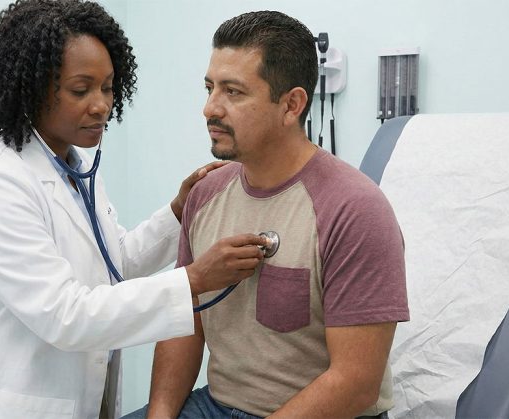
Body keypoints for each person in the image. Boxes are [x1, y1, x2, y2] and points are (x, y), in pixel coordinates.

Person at [0, 1, 270, 418]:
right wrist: (195, 279)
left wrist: (177, 212)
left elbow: (111, 266)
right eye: (81, 90)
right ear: (33, 89)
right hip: (7, 398)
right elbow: (64, 315)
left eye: (107, 88)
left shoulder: (76, 169)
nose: (101, 105)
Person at [125, 11, 409, 419]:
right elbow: (185, 325)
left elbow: (356, 382)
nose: (210, 108)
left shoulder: (355, 210)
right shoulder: (204, 195)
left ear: (291, 105)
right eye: (209, 88)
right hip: (216, 405)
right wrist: (160, 415)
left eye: (233, 92)